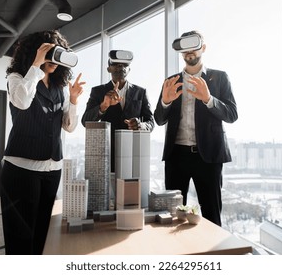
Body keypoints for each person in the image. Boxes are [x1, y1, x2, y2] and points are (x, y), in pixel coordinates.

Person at [0, 30, 85, 254]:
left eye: (59, 56)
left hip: (52, 169)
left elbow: (69, 126)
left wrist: (73, 100)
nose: (55, 62)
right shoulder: (17, 78)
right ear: (35, 54)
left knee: (43, 235)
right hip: (21, 169)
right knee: (20, 237)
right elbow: (22, 102)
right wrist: (36, 67)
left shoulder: (59, 88)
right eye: (50, 54)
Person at [154, 30, 238, 226]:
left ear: (204, 48)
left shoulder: (220, 78)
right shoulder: (171, 81)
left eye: (194, 47)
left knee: (211, 215)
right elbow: (158, 119)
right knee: (173, 215)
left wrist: (208, 99)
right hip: (176, 156)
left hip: (208, 157)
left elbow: (232, 114)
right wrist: (165, 102)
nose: (189, 52)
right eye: (185, 49)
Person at [81, 50, 154, 172]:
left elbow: (150, 122)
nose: (121, 67)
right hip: (105, 155)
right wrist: (103, 106)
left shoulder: (141, 92)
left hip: (132, 154)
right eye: (116, 64)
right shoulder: (98, 91)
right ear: (109, 69)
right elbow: (85, 122)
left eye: (125, 65)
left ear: (129, 69)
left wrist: (140, 125)